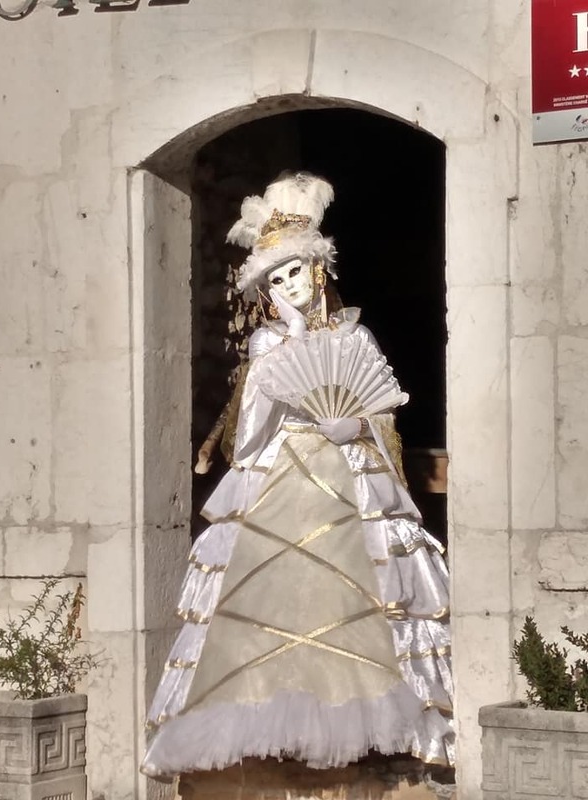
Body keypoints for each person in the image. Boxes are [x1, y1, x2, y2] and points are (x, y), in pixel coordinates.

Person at [141, 173, 454, 780]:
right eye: (275, 280)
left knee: (359, 598)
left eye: (294, 272)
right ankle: (263, 759)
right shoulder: (265, 346)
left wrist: (353, 430)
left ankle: (375, 756)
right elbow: (251, 434)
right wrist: (288, 347)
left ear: (318, 270)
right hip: (279, 484)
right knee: (267, 604)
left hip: (351, 483)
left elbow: (381, 420)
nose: (288, 286)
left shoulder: (356, 336)